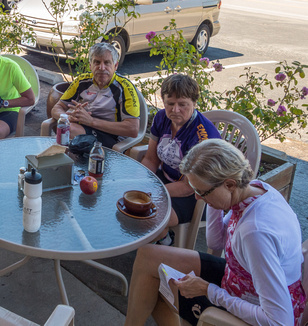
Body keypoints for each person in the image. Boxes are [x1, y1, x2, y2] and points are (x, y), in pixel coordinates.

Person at [124, 139, 306, 325]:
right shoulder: (257, 189)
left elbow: (279, 321)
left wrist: (209, 290)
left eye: (201, 192)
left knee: (154, 286)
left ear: (229, 184)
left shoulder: (254, 232)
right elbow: (216, 242)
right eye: (195, 190)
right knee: (148, 255)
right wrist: (213, 199)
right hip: (240, 278)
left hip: (255, 308)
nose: (197, 197)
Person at [141, 74, 221, 245]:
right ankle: (162, 238)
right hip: (167, 180)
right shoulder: (162, 117)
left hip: (197, 195)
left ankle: (163, 243)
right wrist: (140, 182)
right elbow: (151, 159)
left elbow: (187, 187)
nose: (175, 110)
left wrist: (151, 193)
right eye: (170, 104)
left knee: (147, 213)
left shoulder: (202, 137)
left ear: (194, 103)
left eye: (182, 104)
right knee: (128, 197)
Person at [50, 42, 140, 148]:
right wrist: (68, 117)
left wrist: (91, 121)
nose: (102, 68)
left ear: (115, 66)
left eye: (107, 63)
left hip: (111, 137)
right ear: (90, 65)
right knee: (67, 129)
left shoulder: (124, 87)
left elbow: (133, 129)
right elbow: (56, 109)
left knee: (69, 132)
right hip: (84, 128)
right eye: (97, 62)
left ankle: (67, 162)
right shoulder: (81, 81)